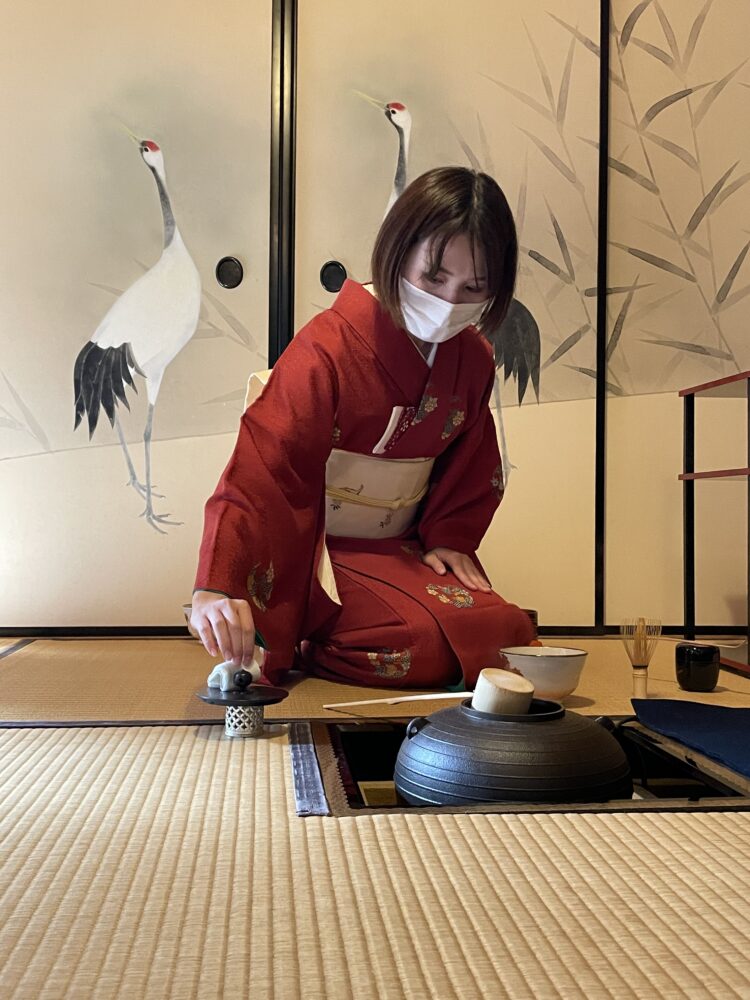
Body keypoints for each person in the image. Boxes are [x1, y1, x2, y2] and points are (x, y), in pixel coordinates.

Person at [190, 166, 535, 689]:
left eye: (473, 287)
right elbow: (264, 469)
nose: (449, 302)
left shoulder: (473, 359)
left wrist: (450, 537)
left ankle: (333, 632)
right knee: (409, 642)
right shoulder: (327, 348)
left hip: (402, 547)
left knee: (506, 633)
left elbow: (471, 463)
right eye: (434, 278)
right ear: (398, 252)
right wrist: (218, 584)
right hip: (315, 551)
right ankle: (304, 632)